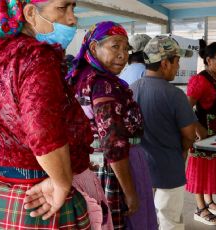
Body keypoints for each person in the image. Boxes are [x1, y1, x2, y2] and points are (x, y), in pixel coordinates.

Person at [0, 0, 109, 228]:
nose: (73, 18)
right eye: (63, 8)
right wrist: (61, 183)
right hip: (39, 201)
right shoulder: (37, 56)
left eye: (73, 8)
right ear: (31, 13)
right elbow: (44, 133)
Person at [67, 21, 157, 230]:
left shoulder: (82, 77)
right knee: (125, 222)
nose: (122, 54)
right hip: (115, 168)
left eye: (126, 48)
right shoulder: (103, 85)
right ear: (93, 48)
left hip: (93, 164)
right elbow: (113, 143)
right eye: (115, 46)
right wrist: (129, 191)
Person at [130, 35, 196, 230]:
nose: (178, 66)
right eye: (177, 61)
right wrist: (183, 152)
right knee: (170, 219)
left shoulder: (130, 90)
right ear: (165, 63)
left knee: (145, 217)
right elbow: (189, 135)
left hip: (139, 167)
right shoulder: (174, 95)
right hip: (169, 166)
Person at [185, 39, 216, 226]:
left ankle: (209, 201)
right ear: (208, 60)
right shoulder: (200, 80)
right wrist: (196, 126)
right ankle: (200, 208)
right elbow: (185, 107)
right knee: (201, 170)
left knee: (212, 170)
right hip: (204, 135)